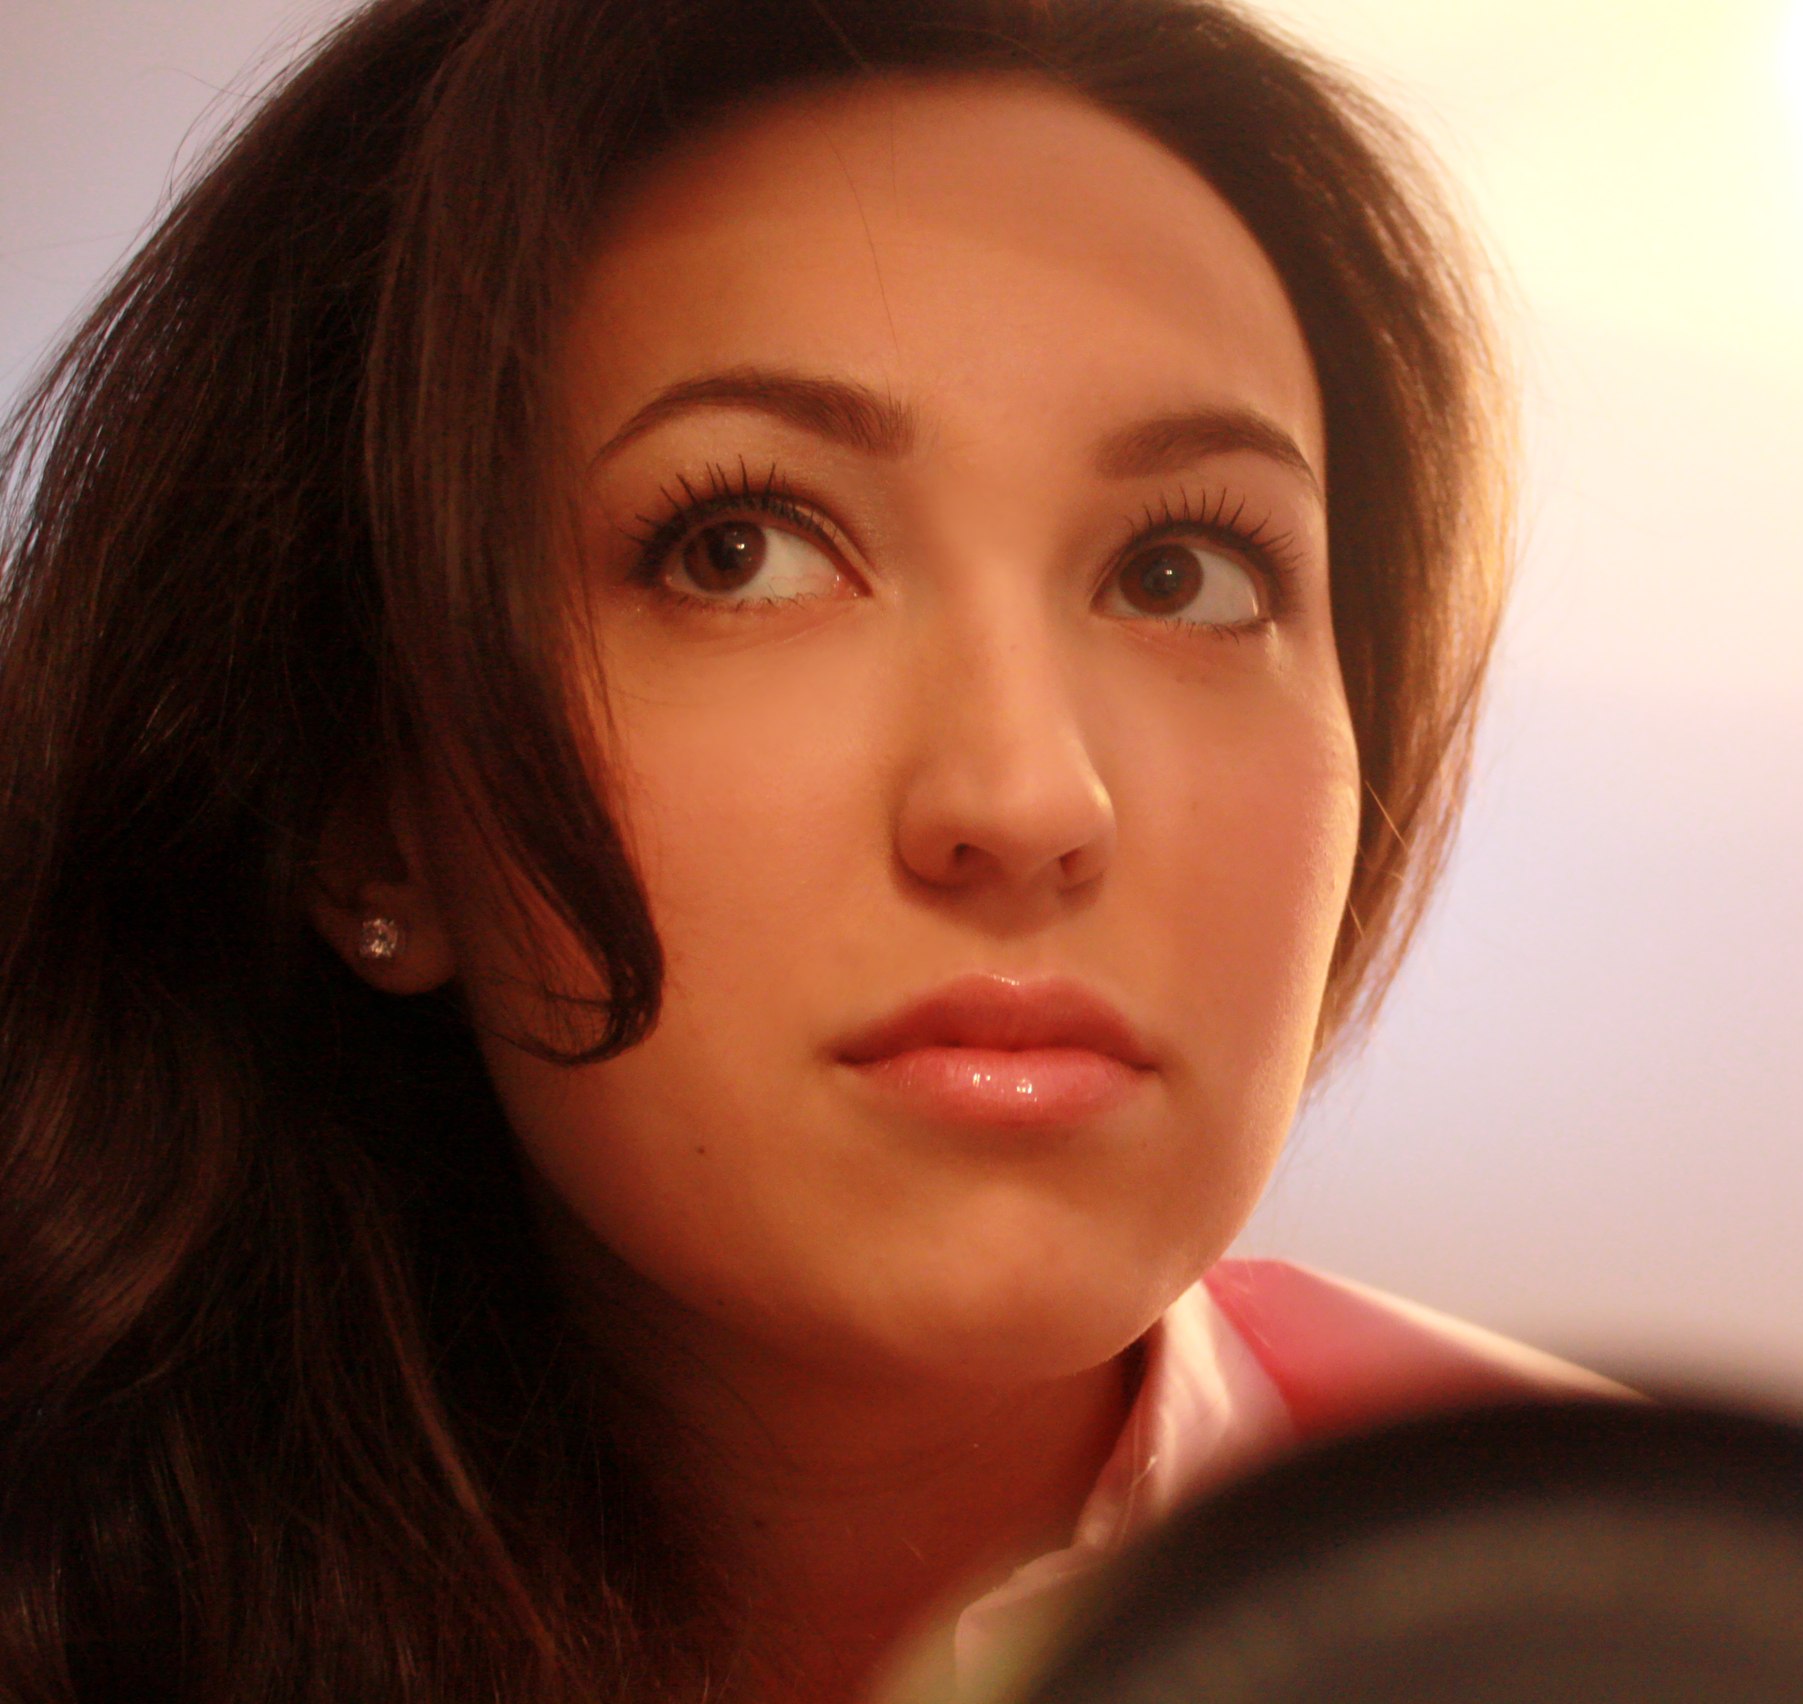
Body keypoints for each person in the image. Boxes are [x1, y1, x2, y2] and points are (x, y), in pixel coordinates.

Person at [0, 1, 1617, 1700]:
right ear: (367, 814)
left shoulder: (1651, 1614)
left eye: (1182, 573)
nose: (1029, 801)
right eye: (741, 549)